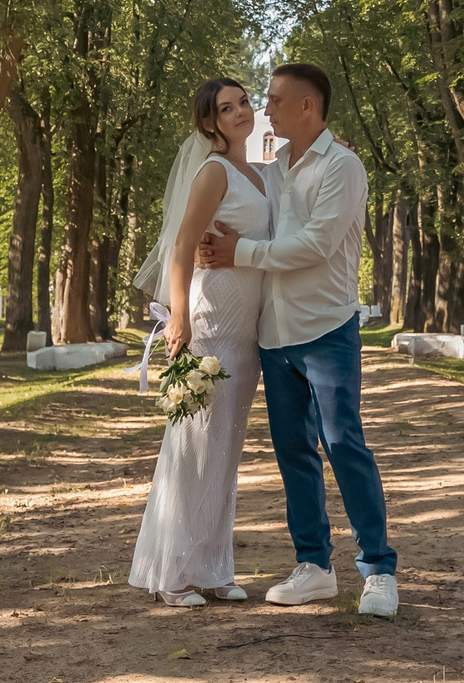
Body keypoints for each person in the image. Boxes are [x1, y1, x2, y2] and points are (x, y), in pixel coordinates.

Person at [197, 60, 399, 618]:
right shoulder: (277, 165)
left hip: (326, 329)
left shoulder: (344, 166)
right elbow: (241, 194)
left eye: (275, 100)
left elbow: (314, 245)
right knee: (293, 454)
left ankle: (378, 570)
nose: (265, 109)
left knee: (342, 445)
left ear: (306, 106)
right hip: (274, 334)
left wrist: (238, 252)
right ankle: (314, 566)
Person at [128, 77, 271, 607]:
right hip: (210, 320)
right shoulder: (213, 172)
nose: (240, 112)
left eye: (245, 103)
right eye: (226, 108)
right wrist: (180, 318)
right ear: (210, 123)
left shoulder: (259, 174)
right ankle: (172, 573)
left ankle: (213, 568)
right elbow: (184, 244)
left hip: (247, 328)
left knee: (226, 452)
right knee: (194, 447)